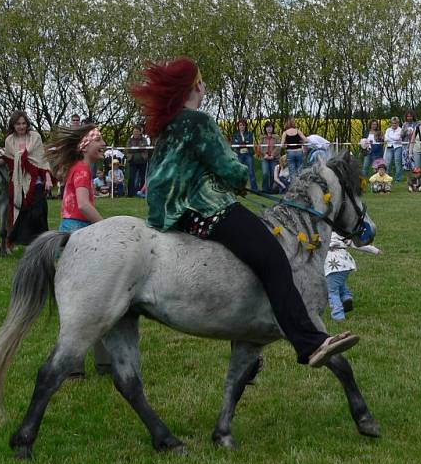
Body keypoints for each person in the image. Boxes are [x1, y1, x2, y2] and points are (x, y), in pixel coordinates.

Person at [131, 57, 359, 368]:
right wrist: (238, 180)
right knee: (274, 257)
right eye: (203, 79)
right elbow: (229, 168)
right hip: (208, 209)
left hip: (173, 217)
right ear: (196, 84)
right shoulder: (198, 121)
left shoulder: (170, 127)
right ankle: (310, 343)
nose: (205, 84)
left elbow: (157, 178)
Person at [46, 124, 112, 377]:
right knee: (96, 299)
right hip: (80, 235)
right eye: (100, 140)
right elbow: (83, 205)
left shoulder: (78, 168)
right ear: (86, 145)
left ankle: (87, 364)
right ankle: (87, 363)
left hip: (71, 233)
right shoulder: (83, 170)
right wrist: (107, 227)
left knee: (85, 300)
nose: (104, 144)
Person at [2, 110, 52, 246]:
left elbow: (42, 160)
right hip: (18, 183)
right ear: (13, 125)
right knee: (22, 213)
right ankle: (26, 242)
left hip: (36, 182)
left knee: (38, 214)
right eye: (18, 124)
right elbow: (9, 161)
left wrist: (48, 179)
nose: (21, 126)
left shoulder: (35, 138)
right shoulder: (9, 141)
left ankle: (42, 242)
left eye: (24, 123)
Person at [323, 232, 381, 321]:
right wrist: (374, 250)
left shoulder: (318, 234)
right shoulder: (339, 234)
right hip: (345, 263)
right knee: (339, 282)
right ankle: (346, 298)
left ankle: (338, 315)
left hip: (332, 265)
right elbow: (357, 244)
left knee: (332, 291)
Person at [232, 118, 257, 191]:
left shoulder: (250, 134)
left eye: (243, 125)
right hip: (239, 155)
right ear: (238, 126)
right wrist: (244, 143)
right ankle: (238, 188)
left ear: (245, 126)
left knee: (251, 171)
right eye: (240, 125)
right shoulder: (235, 134)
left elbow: (250, 143)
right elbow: (235, 144)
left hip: (248, 154)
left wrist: (242, 143)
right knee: (239, 172)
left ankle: (254, 189)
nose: (242, 127)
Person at [126, 125, 150, 197]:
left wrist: (136, 148)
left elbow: (144, 147)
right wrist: (138, 148)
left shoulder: (144, 139)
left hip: (142, 161)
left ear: (140, 132)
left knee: (143, 177)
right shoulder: (130, 140)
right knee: (131, 178)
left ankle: (142, 193)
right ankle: (130, 194)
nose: (135, 133)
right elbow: (128, 149)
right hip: (132, 161)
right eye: (134, 131)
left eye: (136, 131)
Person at [258, 121, 281, 193]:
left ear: (273, 128)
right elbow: (259, 147)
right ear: (265, 128)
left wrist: (272, 155)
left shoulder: (276, 137)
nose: (269, 129)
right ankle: (265, 189)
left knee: (273, 174)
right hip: (264, 158)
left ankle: (272, 189)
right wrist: (265, 155)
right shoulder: (262, 137)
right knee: (265, 173)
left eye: (270, 127)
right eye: (267, 127)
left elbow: (278, 147)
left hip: (274, 158)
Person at [383, 116, 404, 182]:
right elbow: (385, 138)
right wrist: (392, 139)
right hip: (389, 147)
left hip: (398, 147)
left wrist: (390, 138)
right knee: (387, 163)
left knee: (397, 162)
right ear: (391, 123)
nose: (394, 124)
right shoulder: (388, 130)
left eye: (396, 123)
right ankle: (387, 178)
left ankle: (398, 179)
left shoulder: (400, 130)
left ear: (398, 123)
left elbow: (398, 138)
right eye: (393, 123)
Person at [401, 109, 418, 173]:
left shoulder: (417, 123)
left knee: (414, 161)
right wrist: (405, 131)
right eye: (408, 116)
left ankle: (416, 176)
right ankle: (409, 178)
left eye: (410, 116)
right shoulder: (404, 124)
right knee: (407, 162)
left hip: (414, 145)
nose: (409, 118)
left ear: (413, 116)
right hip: (405, 145)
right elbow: (401, 135)